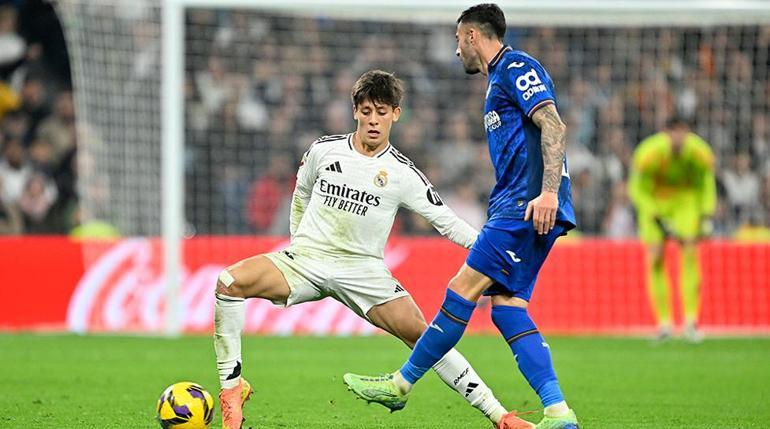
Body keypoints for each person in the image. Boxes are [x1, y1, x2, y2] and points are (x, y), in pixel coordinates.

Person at [213, 70, 512, 429]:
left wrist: (491, 251)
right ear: (355, 110)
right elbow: (301, 191)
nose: (374, 120)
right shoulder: (324, 150)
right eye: (367, 110)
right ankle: (232, 391)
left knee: (425, 336)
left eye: (382, 112)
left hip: (364, 272)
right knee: (228, 282)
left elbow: (446, 221)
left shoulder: (403, 174)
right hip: (307, 261)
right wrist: (298, 241)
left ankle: (499, 415)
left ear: (396, 114)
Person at [343, 4, 578, 429]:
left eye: (457, 41)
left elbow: (554, 126)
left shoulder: (515, 66)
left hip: (523, 207)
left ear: (472, 36)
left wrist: (546, 194)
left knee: (460, 290)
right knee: (507, 308)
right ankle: (558, 413)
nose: (456, 52)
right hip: (523, 206)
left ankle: (400, 385)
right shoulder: (497, 82)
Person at [628, 116, 716, 342]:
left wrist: (706, 214)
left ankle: (690, 321)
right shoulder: (648, 153)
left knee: (689, 252)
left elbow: (706, 183)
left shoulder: (699, 152)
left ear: (687, 132)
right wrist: (653, 214)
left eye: (682, 132)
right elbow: (637, 188)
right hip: (655, 202)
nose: (678, 138)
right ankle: (664, 323)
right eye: (674, 132)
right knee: (655, 258)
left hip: (685, 202)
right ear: (665, 133)